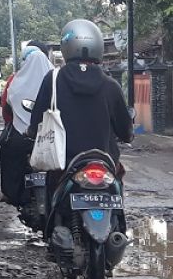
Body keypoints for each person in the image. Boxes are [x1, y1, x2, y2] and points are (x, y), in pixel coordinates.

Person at [27, 19, 133, 175]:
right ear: (98, 46)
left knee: (49, 185)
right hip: (104, 166)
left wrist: (31, 132)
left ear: (66, 47)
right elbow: (125, 132)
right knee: (117, 179)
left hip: (62, 166)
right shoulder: (111, 86)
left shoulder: (53, 80)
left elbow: (36, 122)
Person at [0, 42, 53, 205]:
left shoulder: (15, 81)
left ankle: (11, 193)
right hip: (51, 136)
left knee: (7, 152)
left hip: (21, 136)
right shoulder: (57, 78)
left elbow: (6, 107)